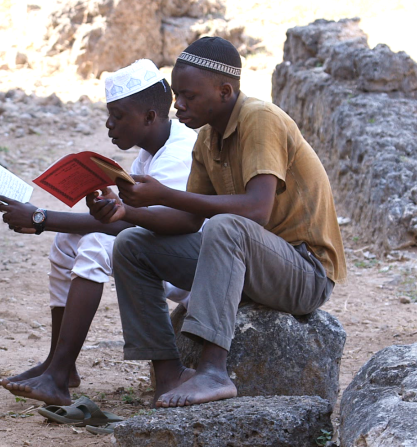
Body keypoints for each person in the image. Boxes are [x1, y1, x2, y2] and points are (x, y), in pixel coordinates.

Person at [88, 37, 347, 408]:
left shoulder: (260, 119)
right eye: (177, 94)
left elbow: (256, 210)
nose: (179, 105)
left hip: (304, 271)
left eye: (190, 96)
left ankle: (213, 371)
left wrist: (163, 194)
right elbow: (190, 219)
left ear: (225, 91)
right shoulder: (207, 138)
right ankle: (168, 374)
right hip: (250, 263)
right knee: (131, 244)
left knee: (227, 225)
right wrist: (127, 213)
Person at [0, 59, 197, 405]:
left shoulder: (178, 153)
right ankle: (60, 365)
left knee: (96, 246)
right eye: (109, 114)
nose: (109, 124)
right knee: (65, 243)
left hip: (191, 269)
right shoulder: (150, 152)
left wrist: (41, 217)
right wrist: (100, 206)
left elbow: (131, 223)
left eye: (118, 116)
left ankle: (56, 377)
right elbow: (131, 216)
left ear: (149, 117)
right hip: (161, 253)